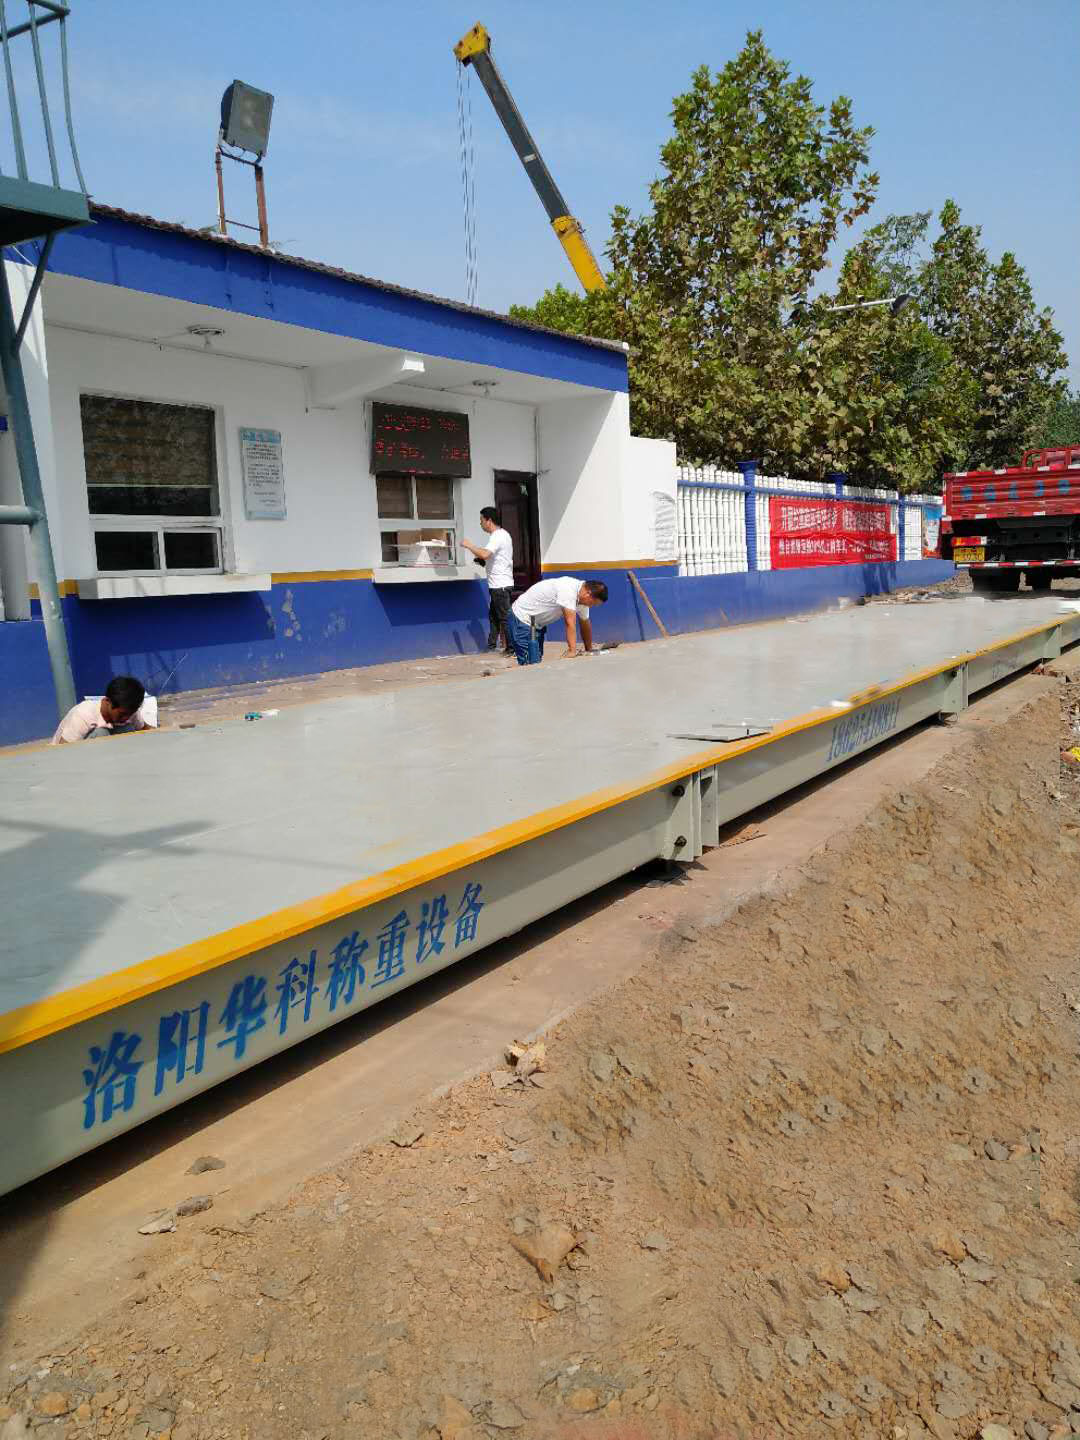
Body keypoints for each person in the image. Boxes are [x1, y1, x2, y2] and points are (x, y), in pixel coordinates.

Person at [505, 576, 608, 666]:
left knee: (536, 660)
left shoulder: (582, 601)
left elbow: (585, 623)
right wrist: (572, 651)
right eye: (593, 603)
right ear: (588, 594)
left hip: (536, 623)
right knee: (529, 663)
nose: (591, 606)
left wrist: (589, 649)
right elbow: (570, 623)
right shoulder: (568, 589)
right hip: (522, 618)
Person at [462, 506, 514, 652]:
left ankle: (512, 649)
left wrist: (469, 545)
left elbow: (485, 554)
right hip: (499, 584)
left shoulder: (497, 536)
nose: (480, 524)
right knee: (494, 617)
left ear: (489, 521)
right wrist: (483, 561)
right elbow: (494, 558)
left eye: (481, 520)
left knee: (504, 618)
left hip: (500, 586)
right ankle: (492, 646)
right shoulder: (503, 535)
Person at [52, 675, 148, 744]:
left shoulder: (130, 710)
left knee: (129, 729)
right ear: (108, 701)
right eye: (121, 714)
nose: (125, 718)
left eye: (130, 714)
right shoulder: (83, 714)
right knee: (101, 734)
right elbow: (63, 751)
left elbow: (146, 730)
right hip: (74, 756)